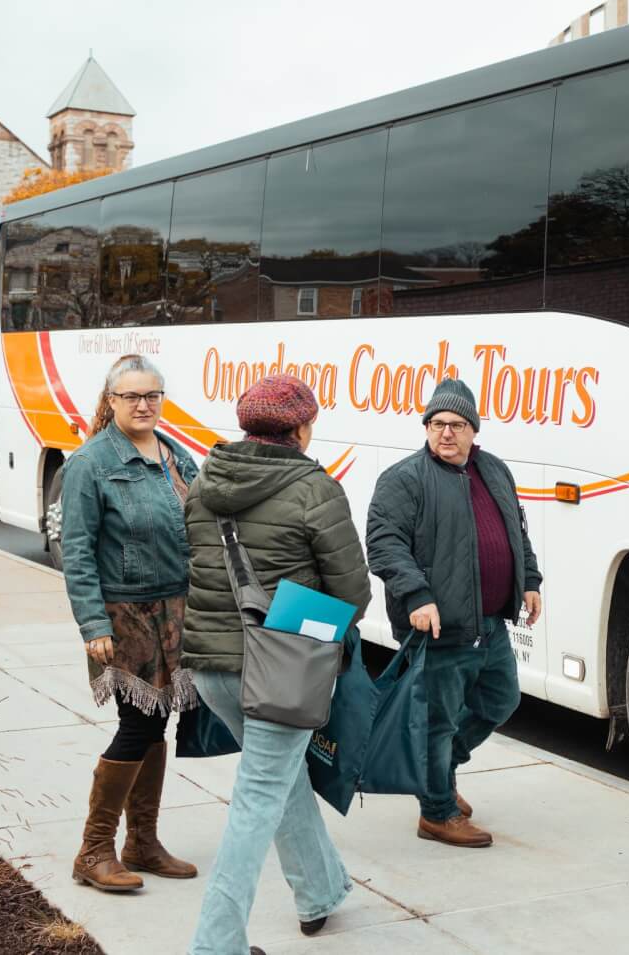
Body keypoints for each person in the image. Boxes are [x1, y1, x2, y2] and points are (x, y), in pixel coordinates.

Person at [181, 374, 371, 953]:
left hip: (211, 667)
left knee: (280, 779)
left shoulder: (202, 481)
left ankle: (318, 892)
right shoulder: (315, 488)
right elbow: (353, 595)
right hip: (279, 671)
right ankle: (216, 946)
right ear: (301, 428)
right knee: (256, 802)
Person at [365, 377, 542, 849]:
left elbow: (515, 531)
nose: (446, 432)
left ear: (473, 430)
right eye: (437, 423)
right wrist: (418, 595)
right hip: (439, 627)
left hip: (490, 623)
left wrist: (530, 581)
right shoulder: (404, 479)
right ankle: (436, 811)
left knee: (501, 700)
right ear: (426, 428)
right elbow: (384, 546)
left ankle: (440, 770)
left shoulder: (494, 471)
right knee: (435, 721)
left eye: (457, 424)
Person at [60, 353, 200, 892]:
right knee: (137, 724)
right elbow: (76, 551)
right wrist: (93, 624)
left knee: (159, 721)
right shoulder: (90, 463)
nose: (144, 405)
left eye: (153, 396)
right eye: (132, 396)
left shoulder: (174, 454)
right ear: (112, 400)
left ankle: (142, 841)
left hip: (176, 610)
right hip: (125, 614)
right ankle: (93, 850)